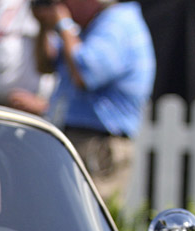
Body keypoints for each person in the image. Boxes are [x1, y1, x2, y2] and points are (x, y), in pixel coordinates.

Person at [30, 0, 155, 201]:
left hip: (99, 145)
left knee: (90, 225)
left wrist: (64, 25)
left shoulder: (117, 23)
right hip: (82, 139)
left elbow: (84, 74)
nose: (61, 4)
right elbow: (45, 64)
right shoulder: (94, 26)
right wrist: (45, 25)